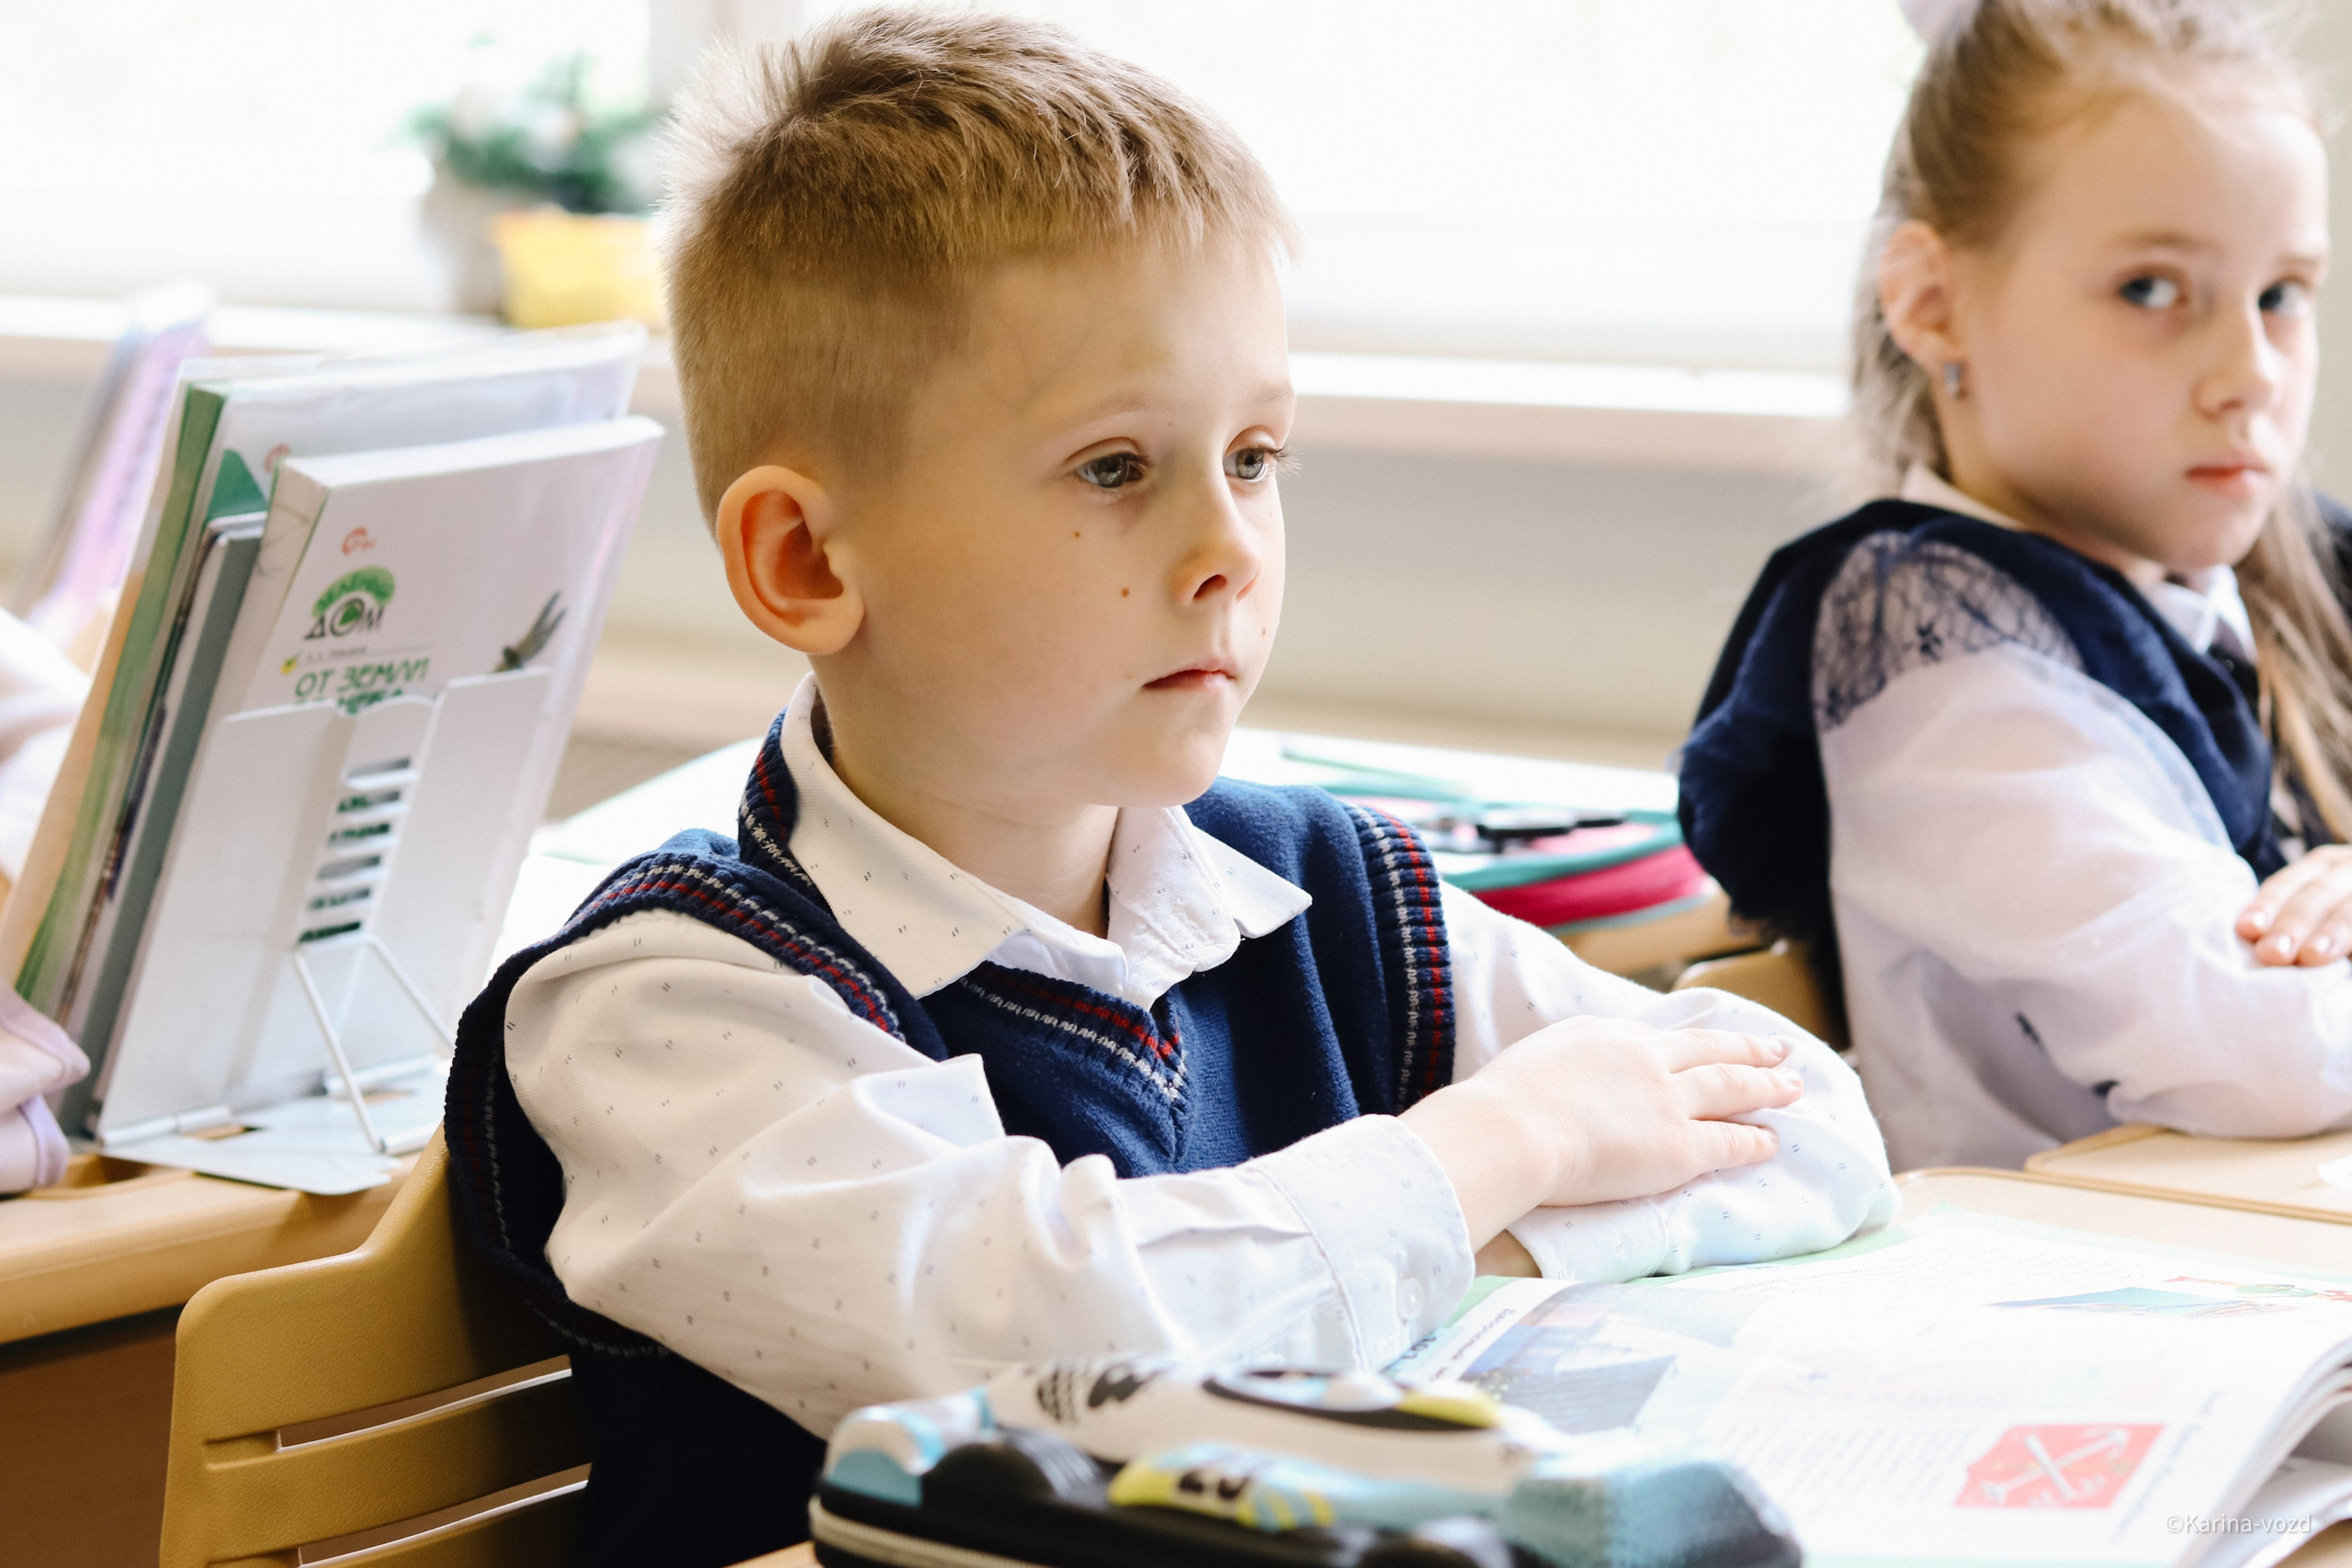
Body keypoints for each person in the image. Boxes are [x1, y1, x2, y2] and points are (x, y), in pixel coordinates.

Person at [445, 8, 1895, 1562]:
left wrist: (1408, 1250)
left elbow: (1802, 1123)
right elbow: (1064, 1353)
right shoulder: (665, 1010)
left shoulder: (1320, 889)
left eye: (1257, 455)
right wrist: (1502, 1151)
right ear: (805, 560)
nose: (1228, 552)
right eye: (1117, 467)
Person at [1679, 0, 2352, 1172]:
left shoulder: (2284, 564)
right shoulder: (1935, 652)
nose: (2248, 373)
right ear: (1932, 302)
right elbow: (2261, 1047)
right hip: (2091, 1310)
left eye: (2281, 295)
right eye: (2151, 289)